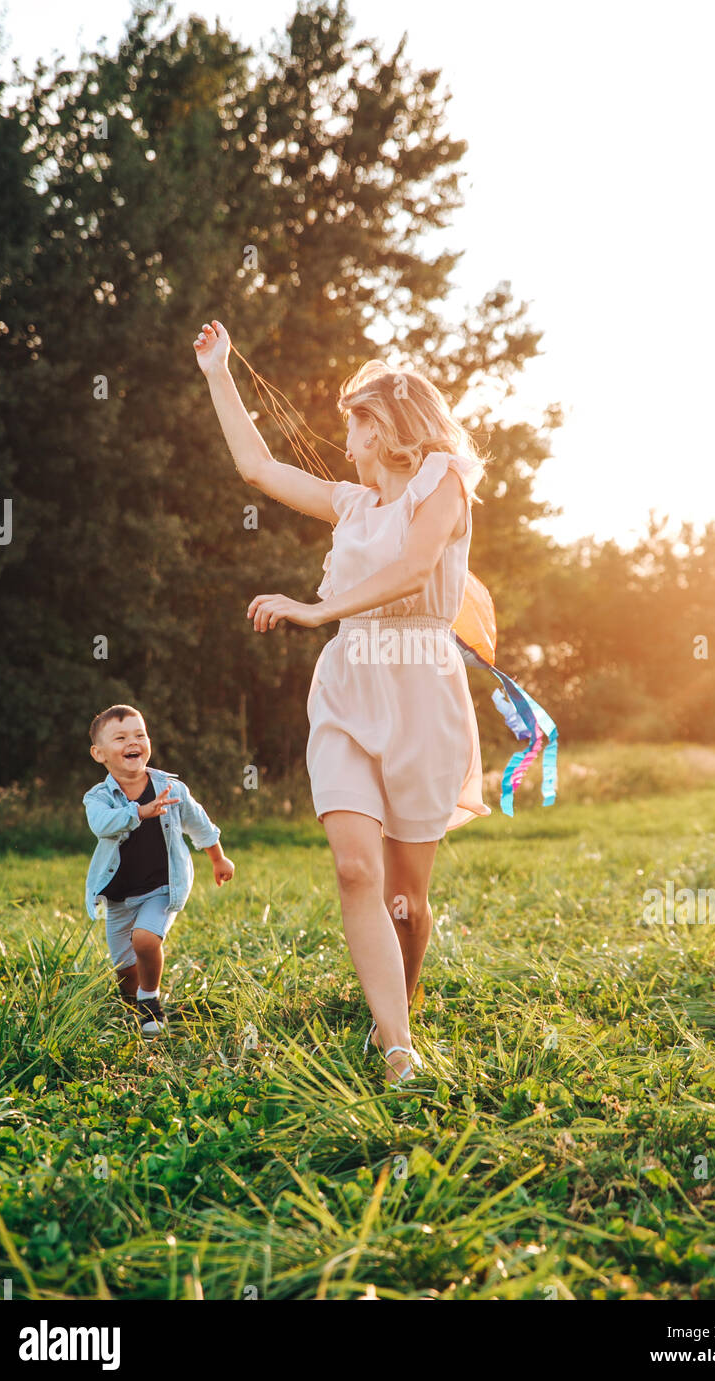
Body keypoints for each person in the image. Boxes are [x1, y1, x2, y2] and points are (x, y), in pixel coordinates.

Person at [194, 320, 490, 1086]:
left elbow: (416, 569)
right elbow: (257, 468)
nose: (345, 436)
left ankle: (401, 1004)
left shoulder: (445, 481)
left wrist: (317, 609)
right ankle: (397, 1046)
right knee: (357, 872)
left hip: (422, 686)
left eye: (354, 420)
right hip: (349, 687)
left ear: (387, 424)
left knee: (406, 899)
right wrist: (219, 371)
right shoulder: (352, 506)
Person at [83, 704, 235, 1035]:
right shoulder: (98, 798)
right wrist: (139, 812)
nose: (132, 742)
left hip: (163, 888)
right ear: (99, 753)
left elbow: (200, 823)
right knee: (124, 967)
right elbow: (101, 825)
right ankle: (132, 1005)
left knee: (146, 940)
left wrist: (218, 858)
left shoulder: (171, 789)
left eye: (140, 734)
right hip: (119, 895)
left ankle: (150, 1001)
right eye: (120, 737)